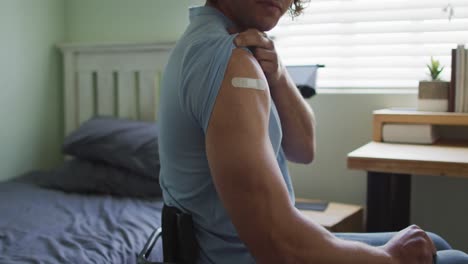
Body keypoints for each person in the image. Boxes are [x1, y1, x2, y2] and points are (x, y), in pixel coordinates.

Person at [158, 0, 468, 263]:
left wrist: (279, 75)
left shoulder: (213, 43)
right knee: (452, 258)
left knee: (434, 244)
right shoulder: (228, 61)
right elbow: (276, 244)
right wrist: (388, 258)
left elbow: (304, 148)